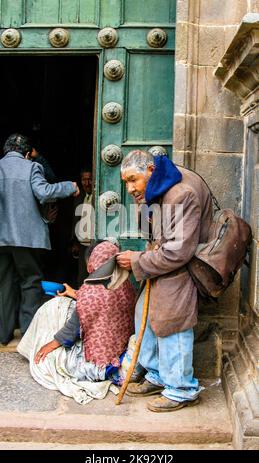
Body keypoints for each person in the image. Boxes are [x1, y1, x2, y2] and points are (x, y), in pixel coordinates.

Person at [116, 150, 213, 412]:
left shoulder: (181, 195)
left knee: (173, 320)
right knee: (144, 315)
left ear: (150, 170)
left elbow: (178, 252)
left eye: (133, 180)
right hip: (160, 260)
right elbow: (148, 231)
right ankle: (158, 375)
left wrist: (137, 261)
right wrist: (141, 201)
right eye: (126, 182)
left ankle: (181, 389)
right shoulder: (158, 185)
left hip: (181, 267)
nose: (129, 188)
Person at [17, 241, 136, 403]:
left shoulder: (91, 292)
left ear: (92, 263)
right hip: (116, 353)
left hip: (94, 366)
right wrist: (75, 293)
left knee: (55, 306)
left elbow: (71, 331)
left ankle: (29, 347)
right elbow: (104, 302)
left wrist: (49, 345)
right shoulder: (126, 285)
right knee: (70, 305)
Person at [0, 133, 80, 345]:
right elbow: (44, 193)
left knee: (4, 284)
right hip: (25, 238)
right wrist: (69, 187)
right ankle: (27, 333)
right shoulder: (32, 167)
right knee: (30, 282)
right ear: (27, 154)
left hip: (1, 239)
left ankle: (3, 334)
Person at [72, 169, 93, 286]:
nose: (87, 183)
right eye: (84, 180)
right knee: (82, 277)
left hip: (96, 244)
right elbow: (75, 220)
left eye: (90, 179)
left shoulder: (99, 197)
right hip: (82, 245)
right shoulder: (80, 197)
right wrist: (74, 242)